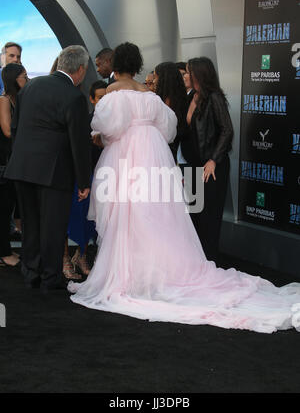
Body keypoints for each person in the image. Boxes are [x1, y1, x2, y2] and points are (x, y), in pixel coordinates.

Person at [68, 42, 300, 334]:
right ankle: (157, 273)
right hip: (152, 155)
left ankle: (132, 276)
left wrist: (101, 136)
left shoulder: (113, 92)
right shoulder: (148, 94)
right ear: (137, 65)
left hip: (126, 156)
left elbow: (107, 128)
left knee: (127, 212)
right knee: (155, 215)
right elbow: (168, 128)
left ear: (115, 66)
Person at [5, 45, 92, 292]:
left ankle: (31, 273)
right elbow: (79, 142)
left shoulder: (30, 86)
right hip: (53, 172)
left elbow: (15, 129)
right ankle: (50, 279)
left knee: (30, 225)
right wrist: (84, 181)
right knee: (53, 228)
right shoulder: (74, 96)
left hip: (21, 168)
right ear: (81, 69)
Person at [180, 57, 233, 263]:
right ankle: (196, 263)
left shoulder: (214, 97)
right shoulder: (191, 96)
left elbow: (227, 130)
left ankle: (209, 263)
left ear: (199, 74)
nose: (185, 75)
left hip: (211, 168)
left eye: (188, 72)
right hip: (192, 166)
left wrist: (213, 159)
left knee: (209, 218)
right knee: (194, 217)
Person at [63, 80, 108, 280]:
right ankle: (69, 259)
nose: (103, 101)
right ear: (91, 99)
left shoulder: (119, 123)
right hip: (84, 177)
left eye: (107, 97)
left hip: (108, 179)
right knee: (78, 217)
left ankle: (81, 256)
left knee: (94, 221)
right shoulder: (85, 121)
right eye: (99, 97)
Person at [0, 63, 28, 268]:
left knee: (10, 208)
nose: (26, 80)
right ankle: (4, 253)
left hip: (14, 163)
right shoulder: (4, 100)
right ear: (12, 79)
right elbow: (8, 131)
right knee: (3, 210)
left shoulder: (19, 100)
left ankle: (7, 250)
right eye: (23, 76)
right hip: (3, 164)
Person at [154, 61, 188, 163]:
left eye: (156, 77)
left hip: (178, 157)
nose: (154, 81)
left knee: (191, 179)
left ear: (164, 79)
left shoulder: (163, 102)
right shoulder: (184, 99)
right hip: (184, 157)